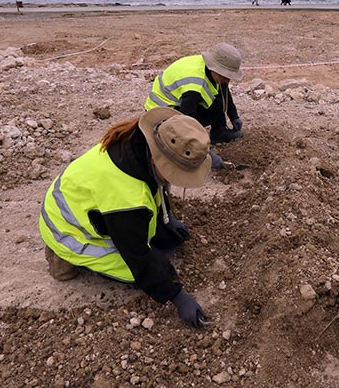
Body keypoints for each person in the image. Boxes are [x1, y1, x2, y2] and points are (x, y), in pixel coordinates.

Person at [39, 107, 212, 328]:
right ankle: (61, 257)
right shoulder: (125, 198)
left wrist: (165, 223)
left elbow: (155, 189)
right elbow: (137, 255)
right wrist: (176, 296)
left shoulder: (139, 147)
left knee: (167, 244)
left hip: (98, 213)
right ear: (159, 159)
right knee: (157, 270)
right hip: (69, 231)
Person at [144, 43, 244, 149]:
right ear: (215, 69)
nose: (227, 80)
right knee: (189, 126)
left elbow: (224, 91)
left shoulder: (209, 69)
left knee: (218, 103)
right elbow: (186, 120)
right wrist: (199, 149)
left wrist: (234, 116)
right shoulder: (194, 84)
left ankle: (219, 133)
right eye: (225, 76)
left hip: (178, 105)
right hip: (160, 116)